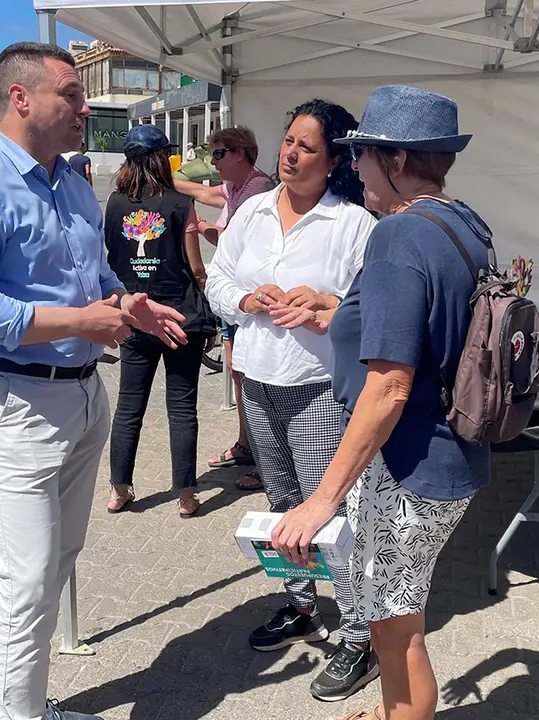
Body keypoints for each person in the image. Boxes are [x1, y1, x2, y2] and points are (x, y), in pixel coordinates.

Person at [0, 42, 186, 720]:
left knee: (58, 561)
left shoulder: (71, 182)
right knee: (30, 577)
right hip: (16, 400)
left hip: (82, 392)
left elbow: (93, 274)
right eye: (70, 94)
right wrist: (80, 320)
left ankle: (29, 703)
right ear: (20, 98)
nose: (84, 108)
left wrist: (125, 302)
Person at [270, 86, 489, 720]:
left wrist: (322, 499)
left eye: (362, 153)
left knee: (395, 634)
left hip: (406, 466)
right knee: (400, 615)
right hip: (447, 454)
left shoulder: (397, 235)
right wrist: (339, 310)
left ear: (394, 160)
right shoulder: (463, 223)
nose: (354, 166)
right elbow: (429, 326)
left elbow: (389, 387)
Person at [205, 99, 379, 703]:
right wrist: (247, 300)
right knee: (282, 507)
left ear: (334, 161)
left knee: (331, 511)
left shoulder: (353, 225)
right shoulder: (252, 210)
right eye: (288, 141)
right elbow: (218, 279)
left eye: (307, 147)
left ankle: (358, 633)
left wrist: (323, 305)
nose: (291, 154)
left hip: (318, 385)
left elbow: (369, 307)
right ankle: (302, 606)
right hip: (257, 378)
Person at [103, 124, 213, 518]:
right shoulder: (181, 204)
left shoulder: (115, 204)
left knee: (129, 406)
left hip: (134, 314)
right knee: (181, 407)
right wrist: (210, 307)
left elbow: (111, 257)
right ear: (161, 158)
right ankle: (186, 494)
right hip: (179, 315)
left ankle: (119, 488)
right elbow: (196, 268)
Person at [175, 126, 275, 491]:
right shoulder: (235, 187)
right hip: (235, 297)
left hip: (251, 298)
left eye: (218, 154)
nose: (213, 162)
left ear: (239, 153)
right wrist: (157, 177)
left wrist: (199, 226)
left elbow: (232, 241)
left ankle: (268, 461)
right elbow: (199, 191)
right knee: (236, 371)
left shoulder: (258, 189)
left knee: (255, 377)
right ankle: (247, 444)